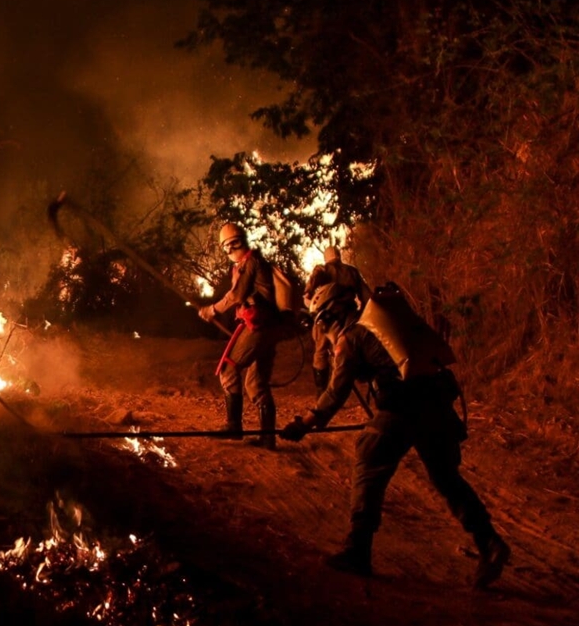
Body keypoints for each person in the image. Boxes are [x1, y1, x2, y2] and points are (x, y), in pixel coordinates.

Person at [279, 283, 510, 588]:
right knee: (447, 479)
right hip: (437, 407)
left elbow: (336, 392)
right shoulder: (380, 327)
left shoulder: (352, 337)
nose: (322, 328)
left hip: (401, 409)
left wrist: (304, 423)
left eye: (322, 320)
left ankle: (357, 551)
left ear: (332, 313)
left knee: (367, 459)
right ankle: (489, 542)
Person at [198, 223, 281, 450]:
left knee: (228, 369)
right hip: (269, 327)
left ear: (231, 245)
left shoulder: (250, 263)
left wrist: (212, 309)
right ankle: (267, 438)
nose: (228, 251)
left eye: (227, 246)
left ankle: (234, 426)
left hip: (258, 327)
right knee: (256, 383)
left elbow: (237, 295)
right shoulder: (253, 262)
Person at [303, 245, 371, 394]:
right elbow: (367, 298)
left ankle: (322, 393)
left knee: (320, 352)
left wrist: (310, 301)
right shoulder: (352, 271)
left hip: (325, 319)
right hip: (348, 319)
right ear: (339, 256)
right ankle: (339, 390)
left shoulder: (322, 270)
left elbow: (308, 293)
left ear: (326, 258)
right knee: (342, 352)